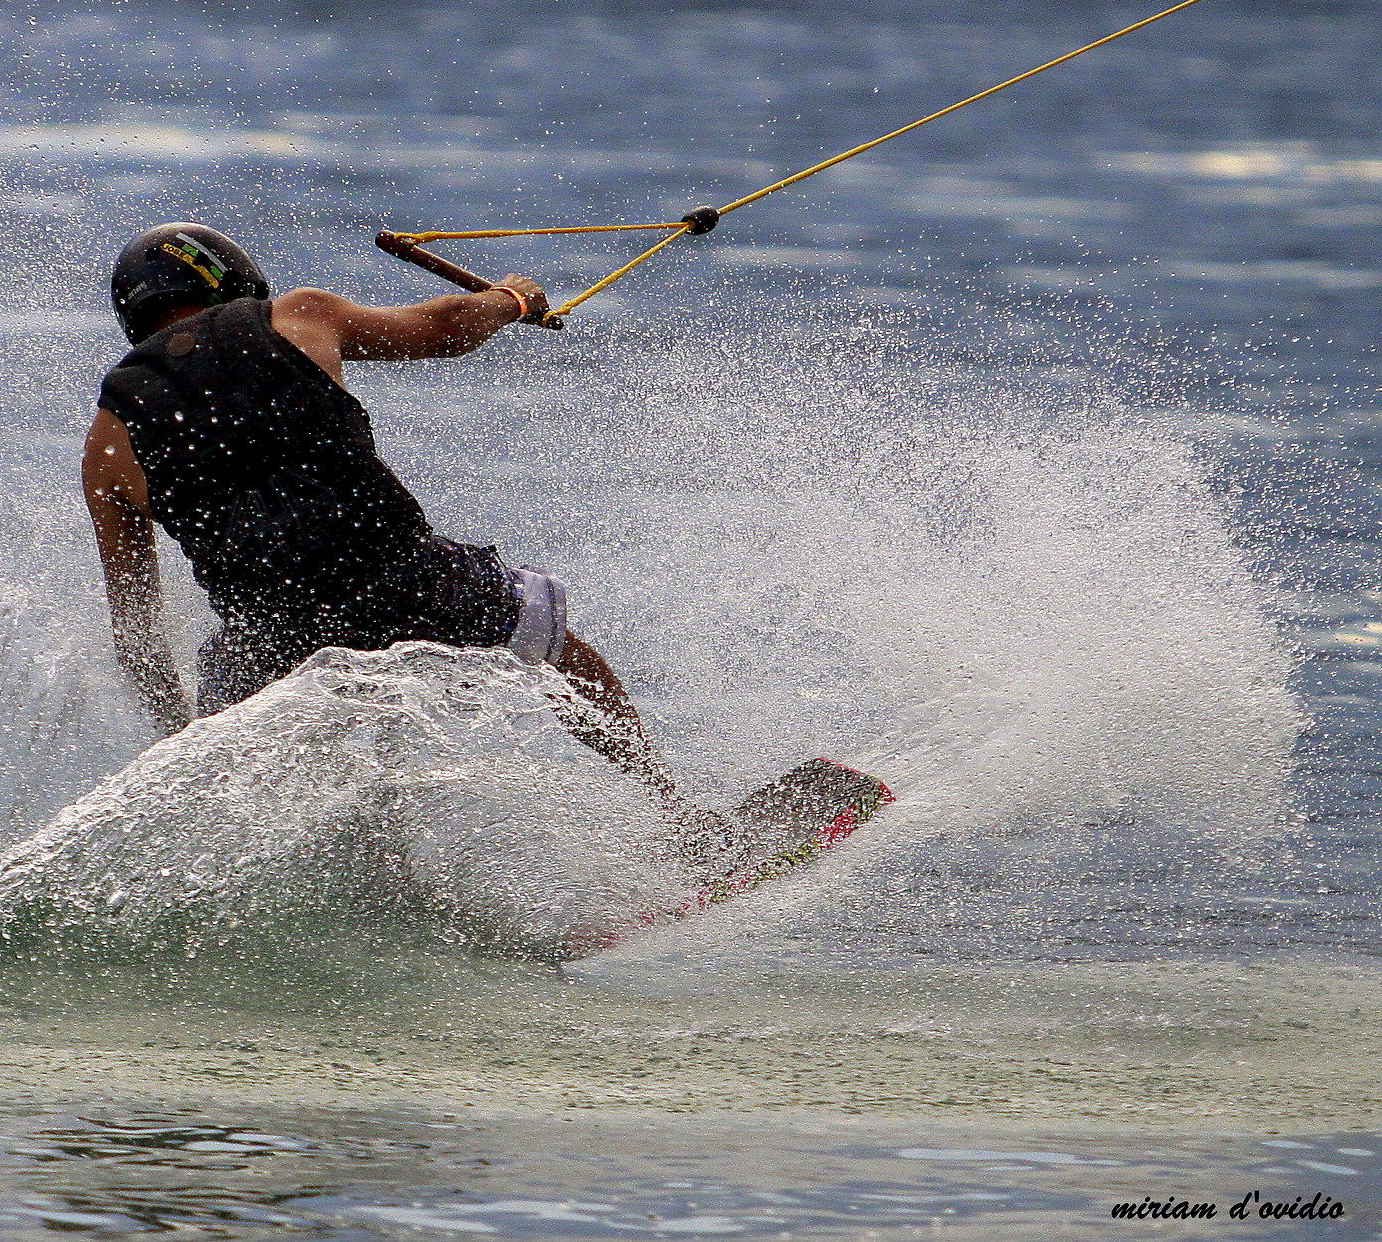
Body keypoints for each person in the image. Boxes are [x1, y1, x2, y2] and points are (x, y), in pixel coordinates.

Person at [81, 223, 890, 875]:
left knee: (299, 744)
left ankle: (395, 903)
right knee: (554, 643)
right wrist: (510, 298)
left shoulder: (106, 443)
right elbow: (444, 330)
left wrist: (187, 735)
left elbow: (139, 639)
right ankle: (681, 820)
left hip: (273, 641)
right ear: (231, 281)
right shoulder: (296, 316)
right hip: (405, 582)